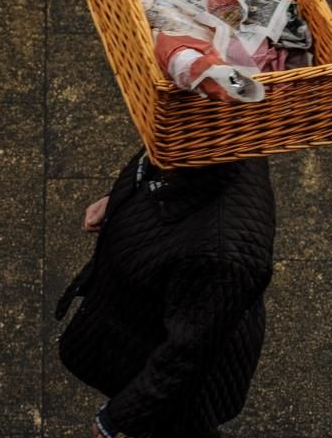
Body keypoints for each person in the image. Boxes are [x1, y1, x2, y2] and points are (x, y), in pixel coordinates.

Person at [55, 149, 275, 438]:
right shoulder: (204, 141)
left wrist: (116, 419)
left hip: (180, 380)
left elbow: (186, 356)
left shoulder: (223, 254)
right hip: (159, 319)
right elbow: (152, 170)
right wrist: (119, 201)